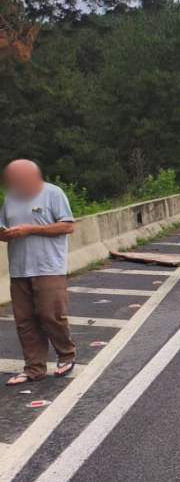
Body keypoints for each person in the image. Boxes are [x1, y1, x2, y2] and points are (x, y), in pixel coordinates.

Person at [0, 160, 77, 385]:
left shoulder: (53, 193)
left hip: (48, 266)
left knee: (50, 314)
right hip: (19, 268)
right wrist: (5, 234)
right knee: (24, 320)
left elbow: (67, 226)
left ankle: (66, 354)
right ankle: (34, 368)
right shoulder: (10, 198)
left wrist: (30, 229)